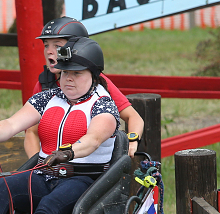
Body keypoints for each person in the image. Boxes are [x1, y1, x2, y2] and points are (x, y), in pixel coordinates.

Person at [0, 37, 120, 214]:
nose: (68, 78)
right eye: (65, 72)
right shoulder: (47, 98)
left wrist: (67, 153)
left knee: (49, 206)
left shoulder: (103, 105)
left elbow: (92, 140)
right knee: (3, 186)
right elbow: (12, 124)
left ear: (93, 75)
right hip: (45, 176)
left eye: (77, 73)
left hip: (84, 183)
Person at [24, 17, 143, 159]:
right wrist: (38, 167)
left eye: (57, 46)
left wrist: (132, 141)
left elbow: (133, 117)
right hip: (52, 167)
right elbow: (31, 132)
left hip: (89, 165)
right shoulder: (44, 84)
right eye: (46, 45)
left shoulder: (97, 82)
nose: (49, 51)